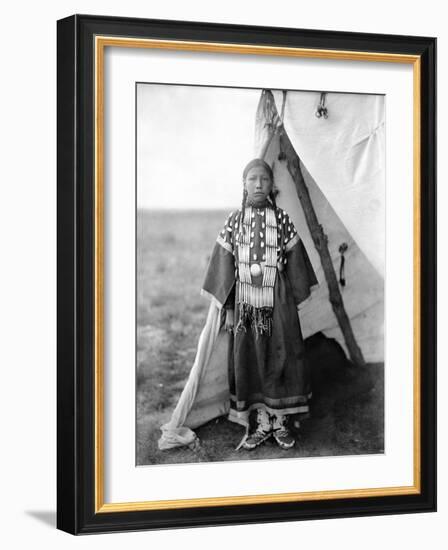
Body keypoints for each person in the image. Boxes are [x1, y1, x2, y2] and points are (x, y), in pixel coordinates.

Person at [201, 158, 318, 450]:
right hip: (244, 300)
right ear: (244, 184)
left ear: (271, 186)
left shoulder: (282, 220)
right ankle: (262, 421)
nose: (258, 184)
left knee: (282, 354)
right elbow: (224, 266)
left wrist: (291, 302)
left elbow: (297, 264)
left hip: (277, 300)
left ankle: (281, 423)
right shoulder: (234, 221)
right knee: (250, 356)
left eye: (264, 179)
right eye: (252, 179)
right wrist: (228, 308)